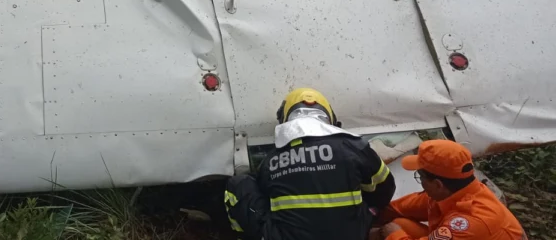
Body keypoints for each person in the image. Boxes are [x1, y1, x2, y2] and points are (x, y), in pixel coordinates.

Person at [224, 88, 395, 240]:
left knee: (239, 183)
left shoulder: (271, 160)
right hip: (352, 235)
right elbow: (385, 190)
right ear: (330, 117)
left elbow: (263, 197)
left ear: (284, 119)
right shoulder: (353, 147)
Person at [372, 140, 526, 240]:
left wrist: (393, 235)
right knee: (400, 224)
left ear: (438, 184)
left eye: (420, 176)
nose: (421, 182)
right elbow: (398, 208)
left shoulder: (471, 222)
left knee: (394, 231)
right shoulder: (450, 192)